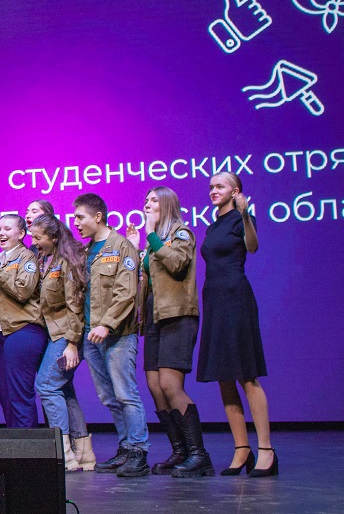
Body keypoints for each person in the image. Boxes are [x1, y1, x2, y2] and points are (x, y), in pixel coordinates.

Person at [127, 187, 213, 477]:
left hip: (177, 315)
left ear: (167, 204)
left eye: (153, 200)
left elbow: (177, 264)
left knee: (170, 385)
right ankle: (180, 450)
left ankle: (199, 455)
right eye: (145, 200)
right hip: (154, 318)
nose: (147, 204)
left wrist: (151, 234)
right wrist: (137, 248)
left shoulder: (181, 233)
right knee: (154, 386)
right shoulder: (153, 243)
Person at [196, 172, 275, 477]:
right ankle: (242, 448)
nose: (213, 191)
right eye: (211, 187)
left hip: (236, 298)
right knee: (223, 376)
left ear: (236, 191)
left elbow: (252, 247)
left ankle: (266, 450)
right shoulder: (213, 224)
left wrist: (244, 214)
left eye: (220, 186)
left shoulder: (242, 218)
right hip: (214, 300)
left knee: (246, 373)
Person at [73, 193, 149, 478]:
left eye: (80, 217)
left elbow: (127, 292)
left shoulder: (121, 246)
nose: (76, 223)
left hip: (117, 334)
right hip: (90, 335)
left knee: (126, 394)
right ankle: (126, 446)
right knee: (108, 396)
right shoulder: (85, 251)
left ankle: (139, 451)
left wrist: (106, 324)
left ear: (98, 217)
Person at [30, 214, 95, 471]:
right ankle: (84, 453)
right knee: (64, 390)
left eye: (38, 237)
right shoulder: (44, 260)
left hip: (66, 334)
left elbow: (75, 305)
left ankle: (64, 452)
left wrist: (72, 344)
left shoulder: (67, 262)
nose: (34, 242)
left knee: (46, 386)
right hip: (52, 333)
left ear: (54, 237)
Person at [0, 214, 46, 429]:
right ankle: (15, 444)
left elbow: (23, 291)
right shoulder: (0, 259)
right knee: (6, 396)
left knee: (20, 394)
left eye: (7, 229)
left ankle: (29, 446)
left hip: (23, 330)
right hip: (2, 333)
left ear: (21, 234)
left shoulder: (26, 257)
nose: (1, 233)